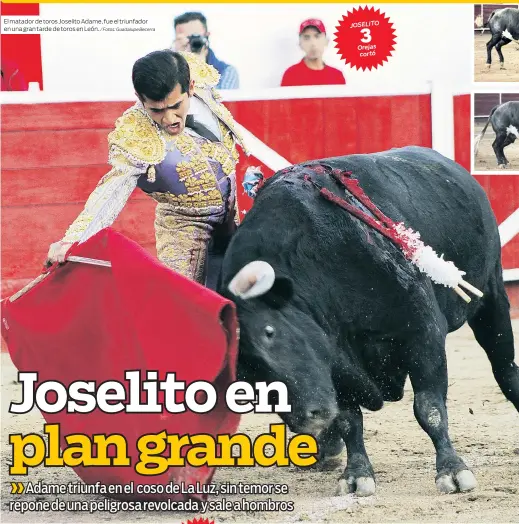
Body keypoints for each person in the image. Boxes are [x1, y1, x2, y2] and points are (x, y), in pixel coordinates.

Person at [46, 50, 250, 289]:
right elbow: (111, 191)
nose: (169, 118)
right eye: (156, 110)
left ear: (191, 87)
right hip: (185, 231)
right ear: (139, 98)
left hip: (235, 218)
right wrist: (72, 240)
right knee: (181, 307)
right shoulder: (135, 134)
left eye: (176, 106)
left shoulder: (200, 83)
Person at [173, 12, 240, 90]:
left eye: (195, 37)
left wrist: (200, 69)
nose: (190, 42)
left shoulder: (227, 72)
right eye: (185, 38)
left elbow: (219, 101)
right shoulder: (167, 70)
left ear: (207, 36)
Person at [281, 18, 346, 87]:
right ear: (300, 44)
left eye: (317, 36)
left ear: (326, 41)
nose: (313, 43)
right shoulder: (291, 75)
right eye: (306, 38)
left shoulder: (337, 76)